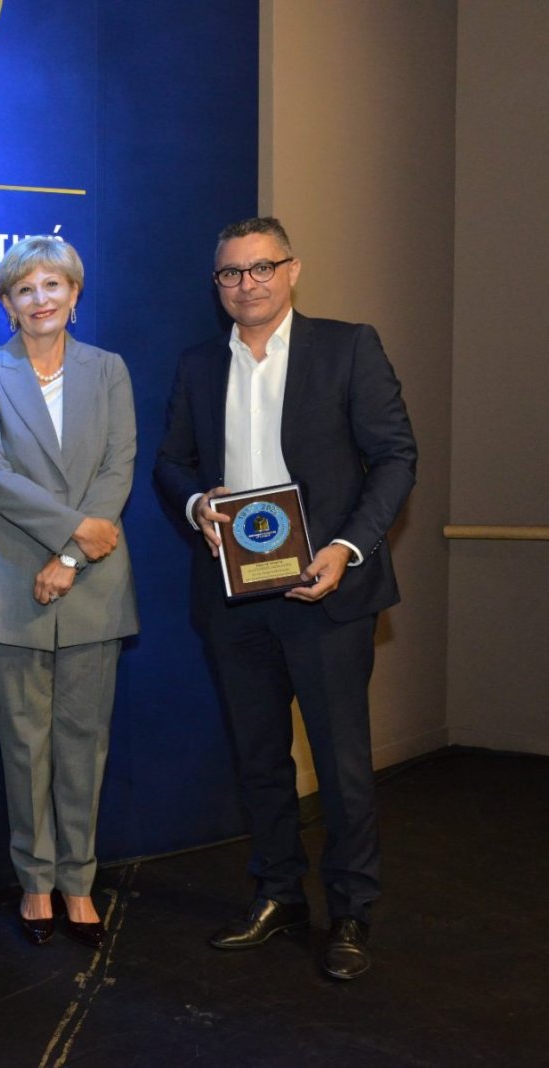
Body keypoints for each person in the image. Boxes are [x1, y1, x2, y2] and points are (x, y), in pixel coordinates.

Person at [155, 217, 416, 980]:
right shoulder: (199, 364)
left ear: (292, 270)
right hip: (234, 599)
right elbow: (171, 462)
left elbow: (395, 457)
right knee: (260, 760)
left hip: (326, 591)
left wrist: (346, 549)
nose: (247, 285)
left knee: (341, 765)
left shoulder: (348, 347)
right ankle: (278, 894)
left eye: (261, 268)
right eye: (231, 273)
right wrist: (198, 504)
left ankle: (352, 912)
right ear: (217, 284)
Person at [0, 235, 138, 950]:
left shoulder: (109, 369)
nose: (40, 299)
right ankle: (35, 882)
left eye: (53, 285)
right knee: (24, 745)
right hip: (10, 583)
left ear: (75, 293)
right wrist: (73, 534)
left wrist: (69, 555)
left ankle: (78, 882)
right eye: (25, 289)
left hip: (91, 579)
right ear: (7, 302)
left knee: (84, 743)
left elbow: (118, 467)